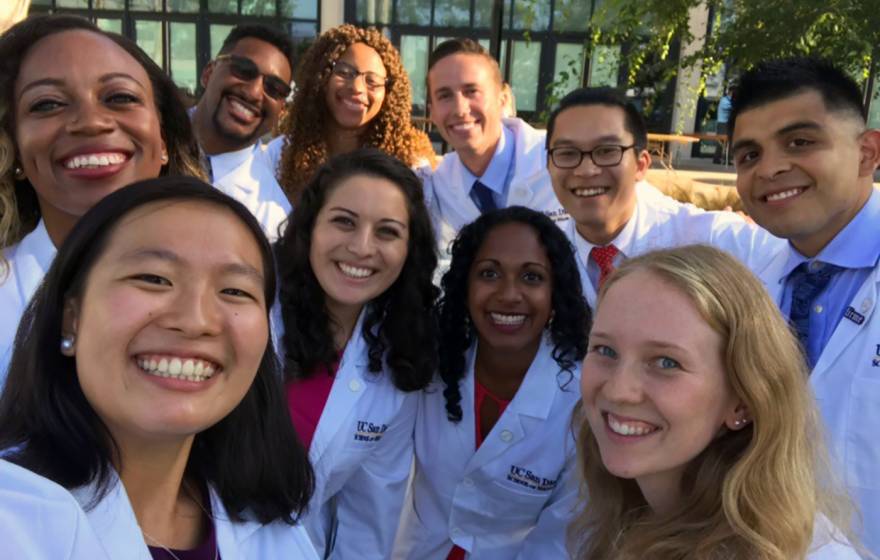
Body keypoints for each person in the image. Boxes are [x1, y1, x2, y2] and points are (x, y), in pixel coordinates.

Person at [0, 177, 318, 558]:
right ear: (71, 318)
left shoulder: (274, 532)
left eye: (235, 290)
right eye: (152, 278)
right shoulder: (13, 518)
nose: (195, 320)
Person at [573, 245, 860, 559]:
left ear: (743, 402)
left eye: (666, 363)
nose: (617, 391)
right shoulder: (626, 516)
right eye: (605, 350)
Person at [729, 57, 880, 556]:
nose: (769, 169)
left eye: (800, 142)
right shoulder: (749, 289)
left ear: (867, 152)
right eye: (749, 155)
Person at [0, 15, 203, 384]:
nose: (91, 122)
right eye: (47, 104)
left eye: (120, 98)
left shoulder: (228, 295)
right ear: (13, 150)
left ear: (164, 143)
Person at [395, 206, 590, 559]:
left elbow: (561, 537)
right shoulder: (429, 368)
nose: (509, 294)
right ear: (464, 286)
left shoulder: (581, 402)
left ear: (555, 294)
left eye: (532, 277)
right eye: (489, 274)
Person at [275, 149, 439, 559]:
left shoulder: (398, 356)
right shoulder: (253, 311)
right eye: (344, 222)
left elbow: (369, 513)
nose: (362, 248)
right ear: (310, 226)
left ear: (409, 250)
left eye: (387, 232)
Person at [545, 87, 784, 308]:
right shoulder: (542, 254)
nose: (586, 170)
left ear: (641, 165)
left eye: (607, 151)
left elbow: (793, 258)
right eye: (567, 153)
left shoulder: (707, 238)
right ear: (548, 165)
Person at [423, 38, 569, 255]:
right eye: (444, 96)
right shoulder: (438, 186)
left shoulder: (560, 158)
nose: (460, 109)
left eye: (471, 91)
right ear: (432, 112)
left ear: (503, 98)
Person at [275, 25, 434, 202]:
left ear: (389, 94)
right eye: (344, 72)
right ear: (321, 77)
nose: (357, 88)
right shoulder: (282, 156)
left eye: (372, 81)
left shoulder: (413, 168)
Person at [191, 24, 294, 240]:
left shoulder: (275, 222)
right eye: (244, 70)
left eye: (274, 89)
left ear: (281, 111)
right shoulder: (143, 140)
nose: (254, 93)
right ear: (208, 73)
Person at [713, 86, 733, 164]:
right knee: (720, 141)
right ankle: (716, 159)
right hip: (722, 123)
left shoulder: (730, 100)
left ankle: (727, 160)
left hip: (727, 123)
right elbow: (730, 108)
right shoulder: (724, 100)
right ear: (730, 92)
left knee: (729, 141)